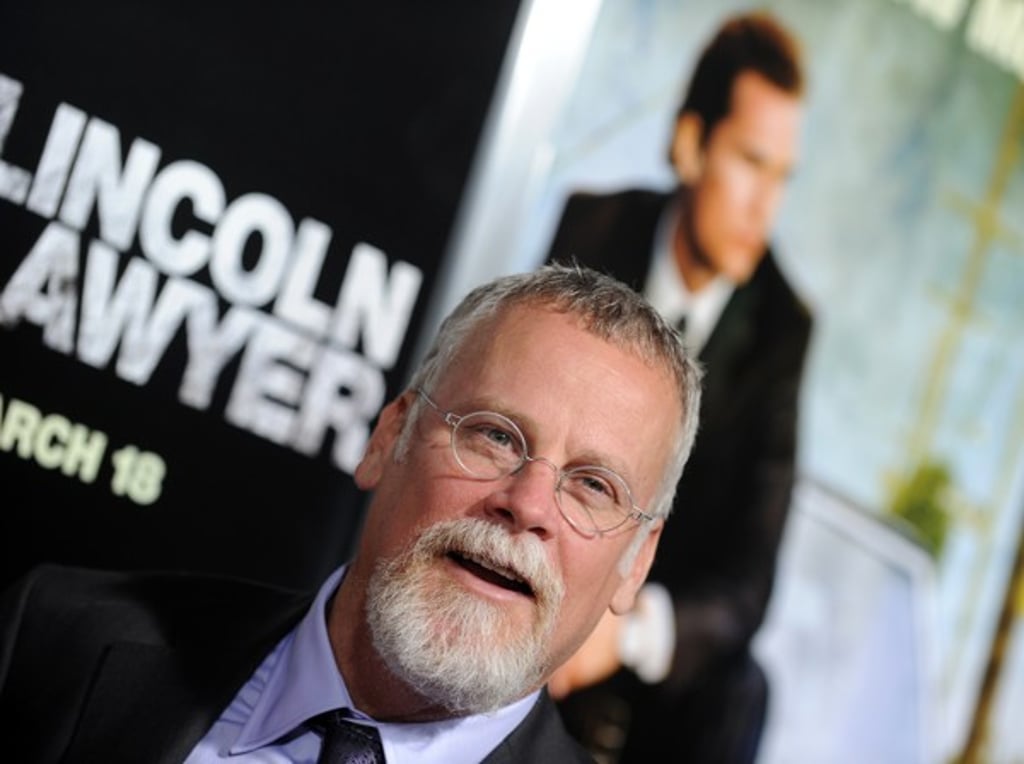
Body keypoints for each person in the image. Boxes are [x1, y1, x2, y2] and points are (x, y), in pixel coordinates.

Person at [0, 263, 703, 764]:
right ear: (388, 437)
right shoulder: (54, 634)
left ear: (636, 561)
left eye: (593, 486)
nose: (526, 504)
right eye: (494, 435)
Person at [544, 11, 814, 764]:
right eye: (751, 163)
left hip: (651, 653)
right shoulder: (591, 231)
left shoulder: (783, 328)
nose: (766, 205)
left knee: (743, 689)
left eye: (782, 176)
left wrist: (624, 634)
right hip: (547, 573)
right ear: (691, 145)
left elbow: (747, 583)